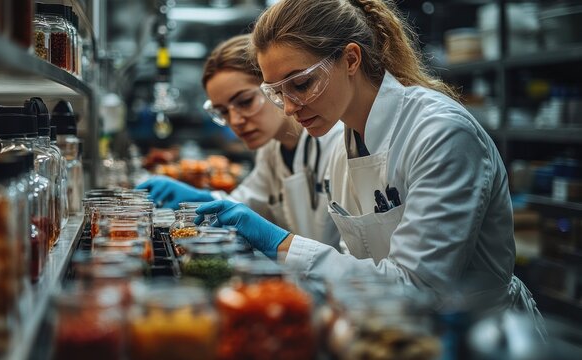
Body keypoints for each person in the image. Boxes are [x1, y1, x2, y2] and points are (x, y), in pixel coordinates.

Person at [194, 0, 545, 336]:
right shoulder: (343, 142)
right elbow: (359, 262)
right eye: (277, 92)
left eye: (300, 84)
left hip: (478, 338)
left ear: (350, 59)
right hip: (394, 332)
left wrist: (283, 244)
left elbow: (420, 287)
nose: (288, 108)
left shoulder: (440, 133)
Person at [137, 34, 343, 249]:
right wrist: (202, 198)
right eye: (223, 112)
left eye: (245, 102)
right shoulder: (272, 150)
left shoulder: (336, 142)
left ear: (275, 87)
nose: (234, 121)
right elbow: (246, 204)